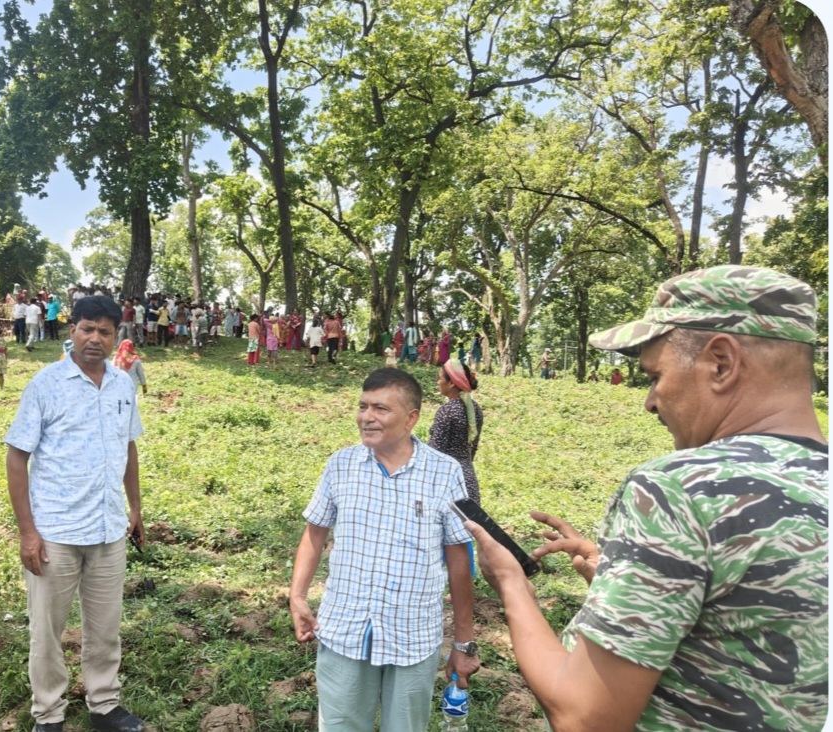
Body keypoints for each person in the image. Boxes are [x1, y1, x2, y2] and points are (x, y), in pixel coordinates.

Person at [466, 265, 828, 732]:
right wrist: (637, 574)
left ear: (721, 362)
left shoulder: (679, 490)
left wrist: (512, 584)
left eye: (655, 375)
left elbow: (584, 717)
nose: (651, 401)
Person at [289, 368, 480, 732]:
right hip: (344, 629)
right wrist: (297, 596)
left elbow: (459, 559)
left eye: (380, 408)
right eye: (363, 407)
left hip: (412, 636)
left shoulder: (445, 473)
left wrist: (464, 642)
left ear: (411, 418)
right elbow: (314, 533)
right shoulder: (340, 465)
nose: (366, 417)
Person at [4, 295, 147, 732]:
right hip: (56, 534)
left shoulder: (122, 384)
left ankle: (104, 704)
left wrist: (136, 508)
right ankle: (48, 714)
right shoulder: (46, 384)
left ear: (114, 336)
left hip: (108, 529)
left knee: (105, 628)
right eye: (87, 328)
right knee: (47, 633)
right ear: (72, 330)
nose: (95, 339)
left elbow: (129, 446)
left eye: (105, 331)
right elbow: (16, 456)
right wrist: (28, 532)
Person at [429, 358, 484, 504]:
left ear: (452, 383)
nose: (438, 382)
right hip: (468, 479)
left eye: (440, 378)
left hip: (447, 482)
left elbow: (435, 451)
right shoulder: (475, 409)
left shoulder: (447, 411)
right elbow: (473, 446)